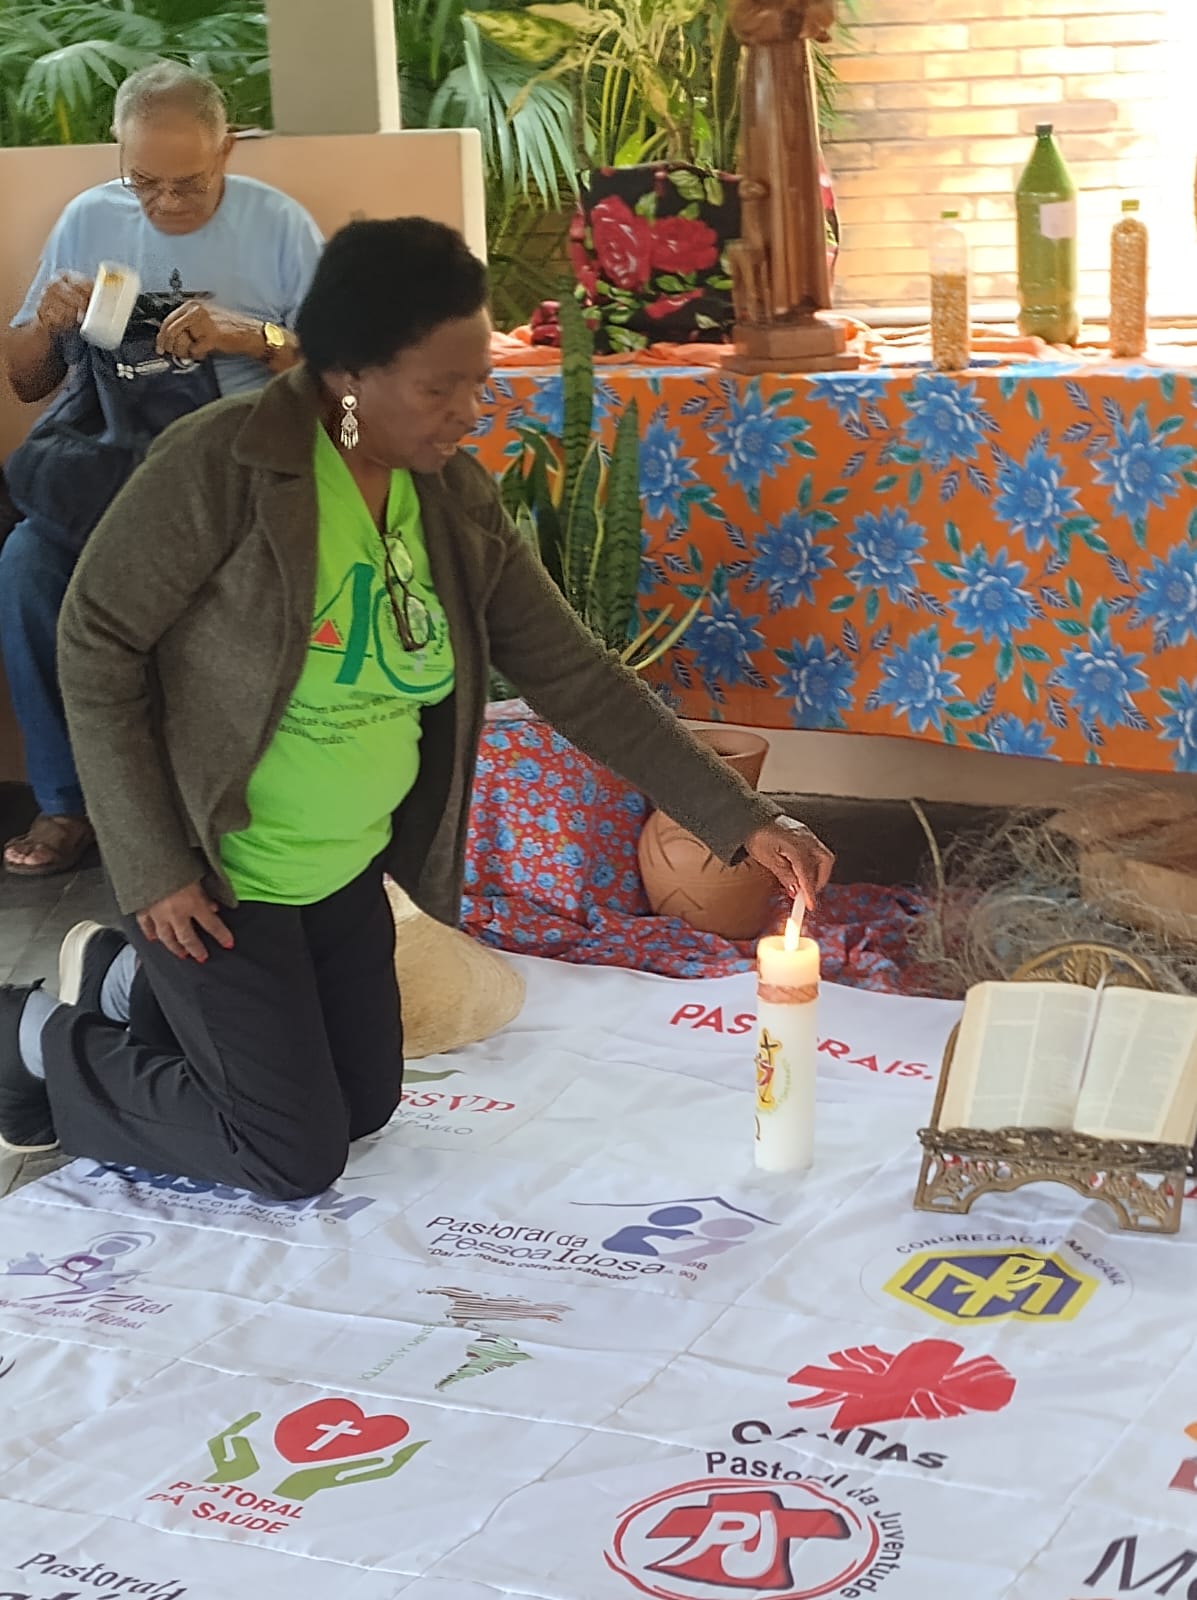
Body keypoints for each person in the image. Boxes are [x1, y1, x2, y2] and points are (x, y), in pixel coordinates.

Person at [0, 217, 834, 1197]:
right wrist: (151, 865)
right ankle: (32, 1041)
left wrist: (739, 817)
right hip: (218, 876)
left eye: (477, 382)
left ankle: (130, 985)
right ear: (349, 374)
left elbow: (574, 673)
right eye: (442, 387)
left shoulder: (450, 499)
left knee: (362, 1104)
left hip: (342, 870)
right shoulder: (221, 463)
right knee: (288, 1153)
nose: (471, 412)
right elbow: (95, 639)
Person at [0, 61, 324, 878]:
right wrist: (47, 324)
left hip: (234, 472)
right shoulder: (89, 218)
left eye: (189, 183)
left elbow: (345, 380)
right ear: (121, 153)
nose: (166, 203)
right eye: (144, 182)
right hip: (110, 469)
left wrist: (252, 336)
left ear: (227, 149)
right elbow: (28, 382)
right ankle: (67, 802)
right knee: (25, 566)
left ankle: (216, 799)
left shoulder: (278, 225)